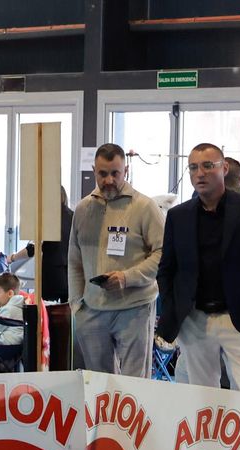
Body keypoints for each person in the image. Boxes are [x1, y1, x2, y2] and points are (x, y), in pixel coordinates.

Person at [157, 142, 240, 393]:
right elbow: (166, 270)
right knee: (201, 399)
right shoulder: (178, 216)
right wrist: (175, 308)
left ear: (224, 168)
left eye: (208, 165)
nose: (200, 173)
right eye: (193, 167)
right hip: (195, 320)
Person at [66, 144, 164, 377]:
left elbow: (162, 254)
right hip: (91, 311)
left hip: (134, 309)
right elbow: (74, 259)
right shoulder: (82, 209)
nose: (109, 179)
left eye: (115, 173)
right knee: (99, 386)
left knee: (134, 387)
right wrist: (76, 305)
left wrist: (127, 277)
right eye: (102, 173)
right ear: (94, 170)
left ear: (125, 171)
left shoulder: (145, 207)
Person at [6, 186, 74, 302]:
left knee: (45, 312)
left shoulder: (47, 219)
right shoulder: (73, 216)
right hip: (70, 275)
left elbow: (32, 249)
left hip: (51, 275)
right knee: (65, 314)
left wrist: (12, 257)